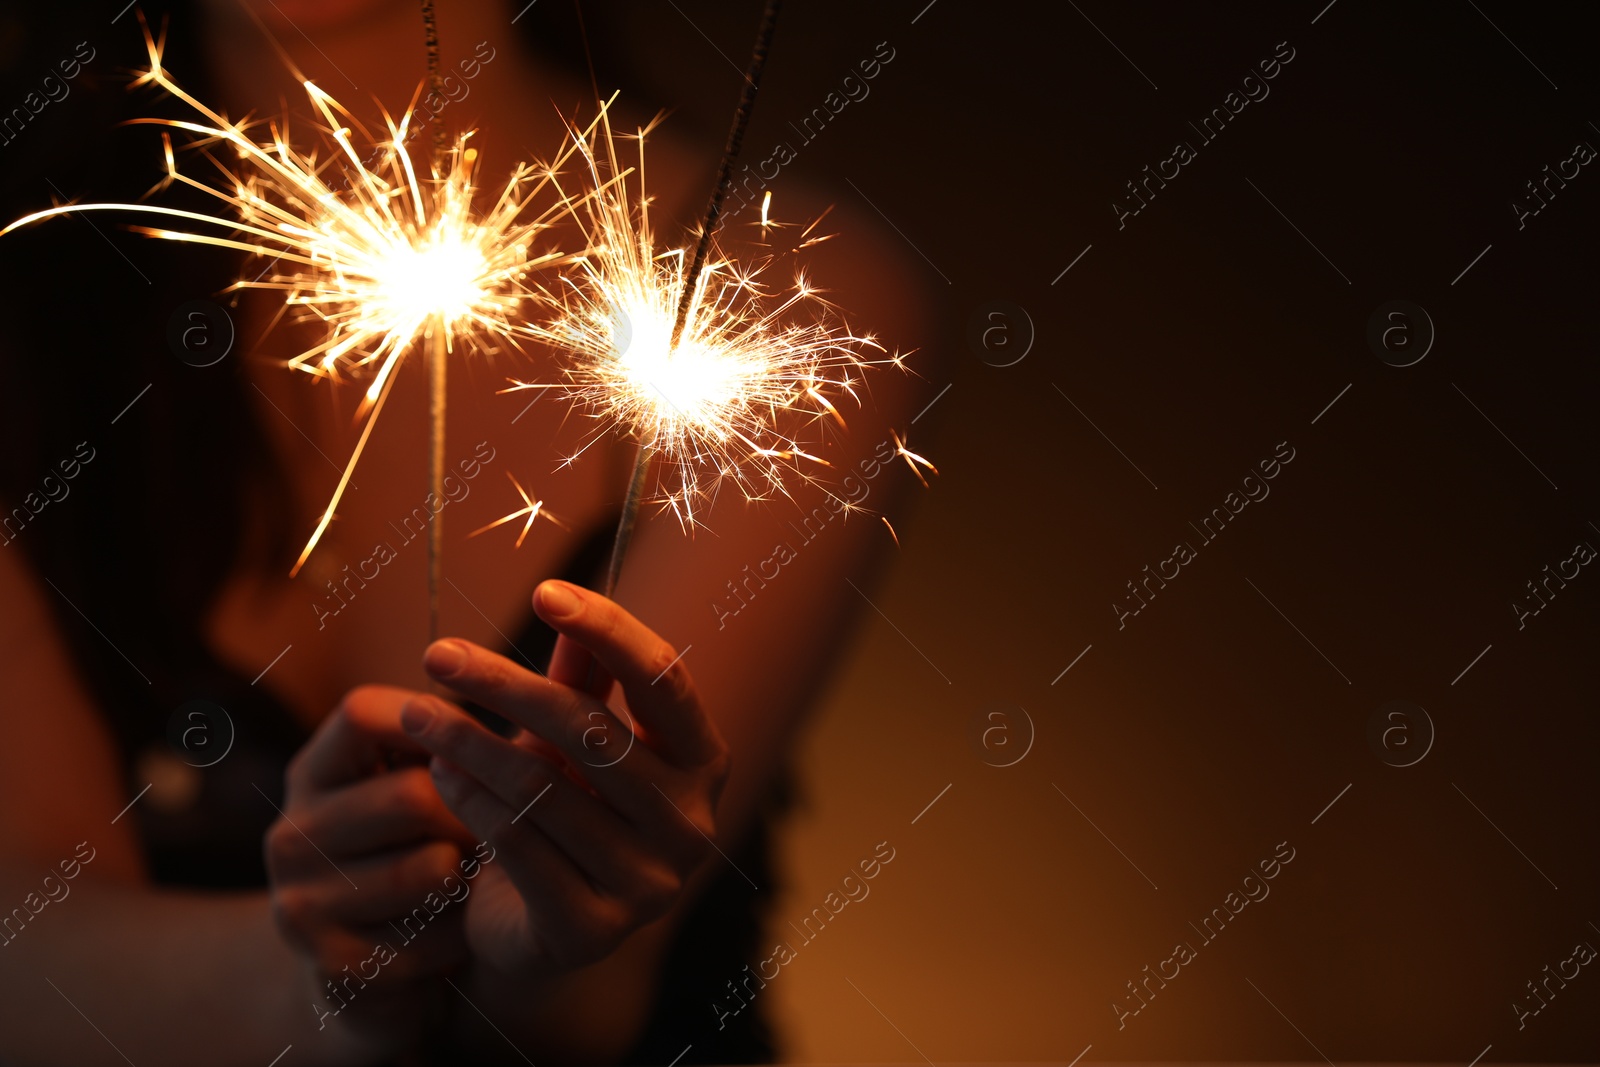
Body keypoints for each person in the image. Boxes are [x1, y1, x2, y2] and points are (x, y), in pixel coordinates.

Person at [0, 1, 929, 1063]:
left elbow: (587, 1007)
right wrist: (319, 987)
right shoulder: (23, 305)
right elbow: (22, 950)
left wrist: (559, 950)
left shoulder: (783, 302)